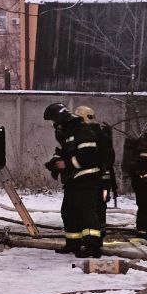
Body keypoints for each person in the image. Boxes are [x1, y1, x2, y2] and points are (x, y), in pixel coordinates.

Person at [44, 102, 105, 257]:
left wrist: (67, 164)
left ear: (59, 117)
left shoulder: (81, 130)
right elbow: (64, 151)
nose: (53, 124)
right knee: (69, 211)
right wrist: (55, 162)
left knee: (86, 212)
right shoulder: (68, 131)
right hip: (74, 178)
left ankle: (93, 247)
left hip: (87, 177)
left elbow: (89, 155)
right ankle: (73, 244)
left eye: (53, 120)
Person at [75, 105, 117, 239]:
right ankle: (100, 232)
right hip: (104, 179)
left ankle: (91, 236)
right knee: (101, 205)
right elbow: (110, 158)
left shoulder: (86, 135)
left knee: (88, 207)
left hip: (90, 180)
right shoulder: (103, 134)